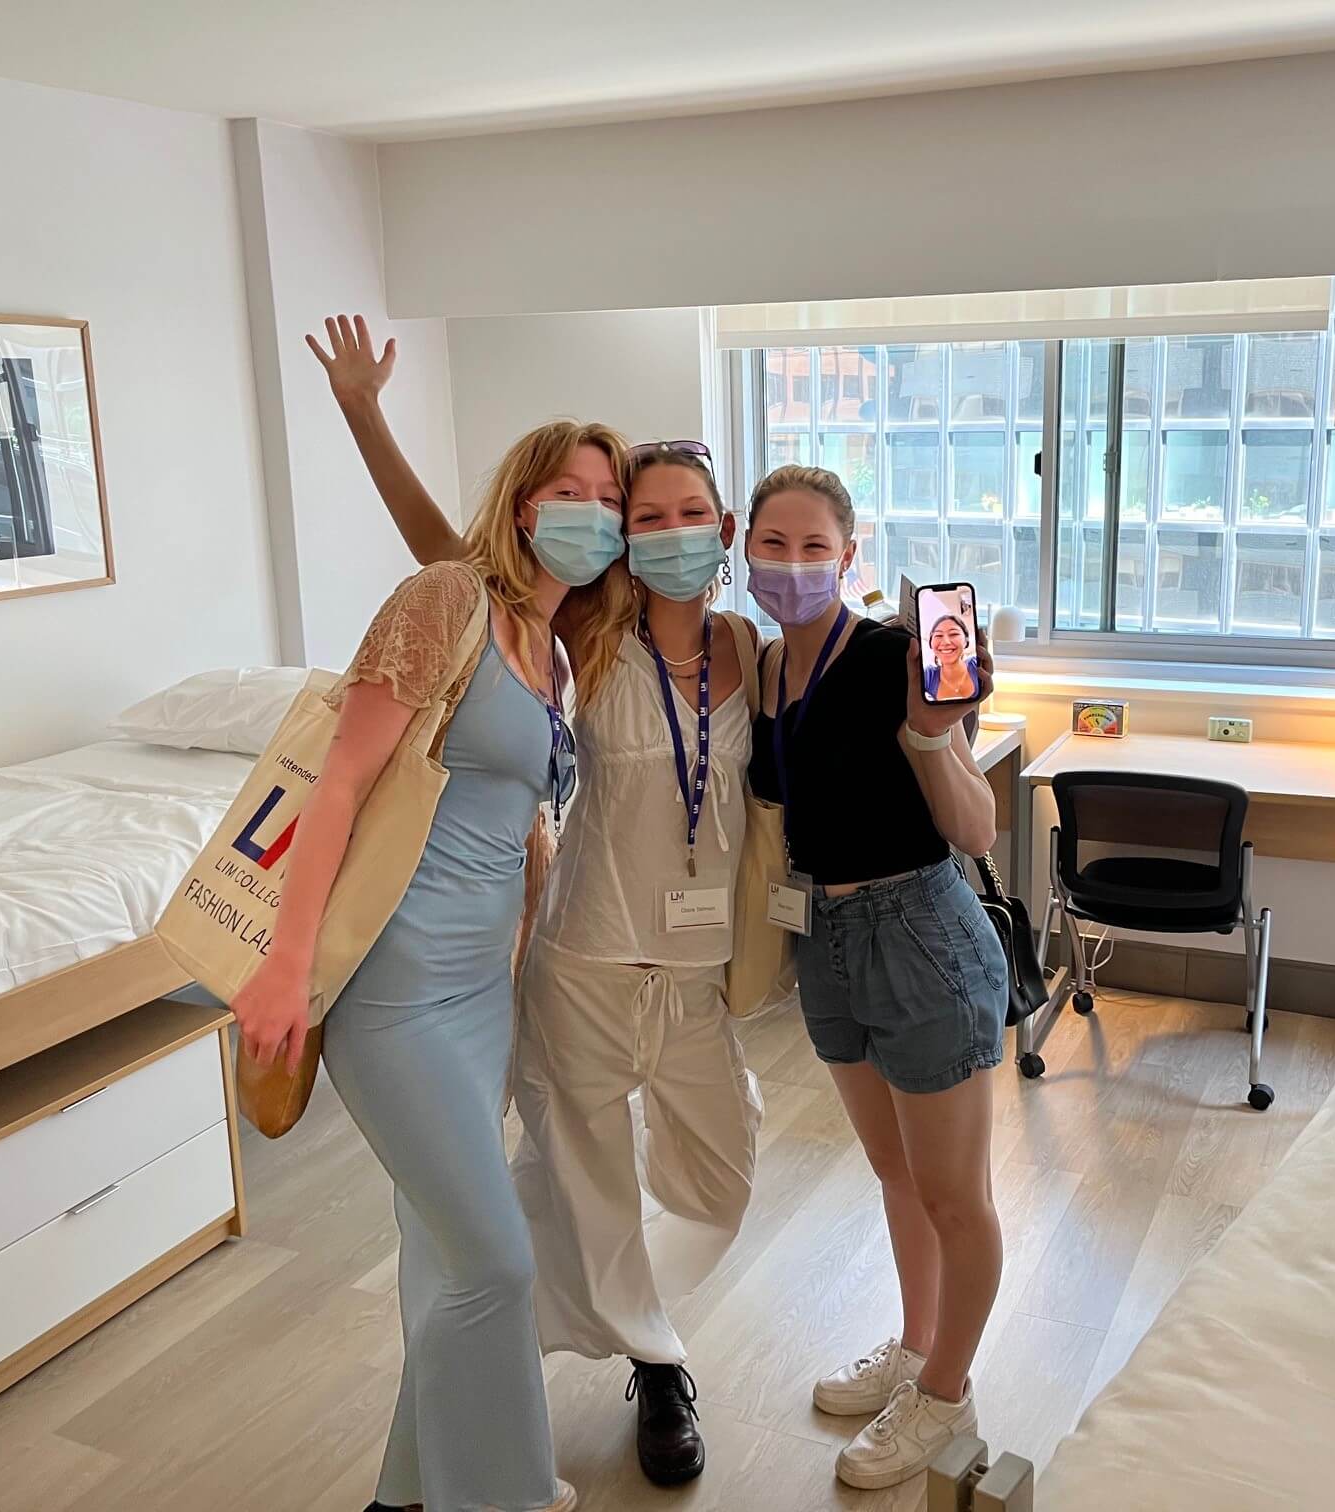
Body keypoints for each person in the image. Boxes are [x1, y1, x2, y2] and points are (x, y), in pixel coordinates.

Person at [309, 316, 764, 1488]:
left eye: (677, 514)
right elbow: (452, 564)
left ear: (723, 533)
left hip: (695, 971)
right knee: (558, 1189)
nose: (654, 532)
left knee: (717, 1176)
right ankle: (653, 1364)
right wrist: (365, 416)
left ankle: (596, 1316)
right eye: (634, 512)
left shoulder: (748, 650)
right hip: (571, 958)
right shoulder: (582, 634)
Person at [231, 408, 632, 1512]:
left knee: (447, 1259)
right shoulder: (449, 600)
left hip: (479, 996)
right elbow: (343, 782)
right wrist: (284, 962)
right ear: (519, 506)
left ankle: (404, 1495)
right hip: (395, 989)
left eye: (609, 502)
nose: (591, 517)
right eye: (571, 494)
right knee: (497, 1265)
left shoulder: (554, 650)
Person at [743, 464, 1010, 1492]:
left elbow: (977, 830)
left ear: (851, 560)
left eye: (817, 548)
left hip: (919, 931)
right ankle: (913, 1346)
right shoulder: (766, 668)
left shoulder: (898, 654)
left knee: (955, 1196)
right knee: (897, 1174)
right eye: (774, 543)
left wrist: (929, 735)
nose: (795, 564)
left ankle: (946, 1396)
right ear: (747, 551)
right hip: (827, 936)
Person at [922, 613, 980, 703]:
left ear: (966, 641)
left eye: (953, 634)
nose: (946, 642)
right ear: (931, 643)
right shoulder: (927, 676)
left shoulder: (977, 664)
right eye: (938, 635)